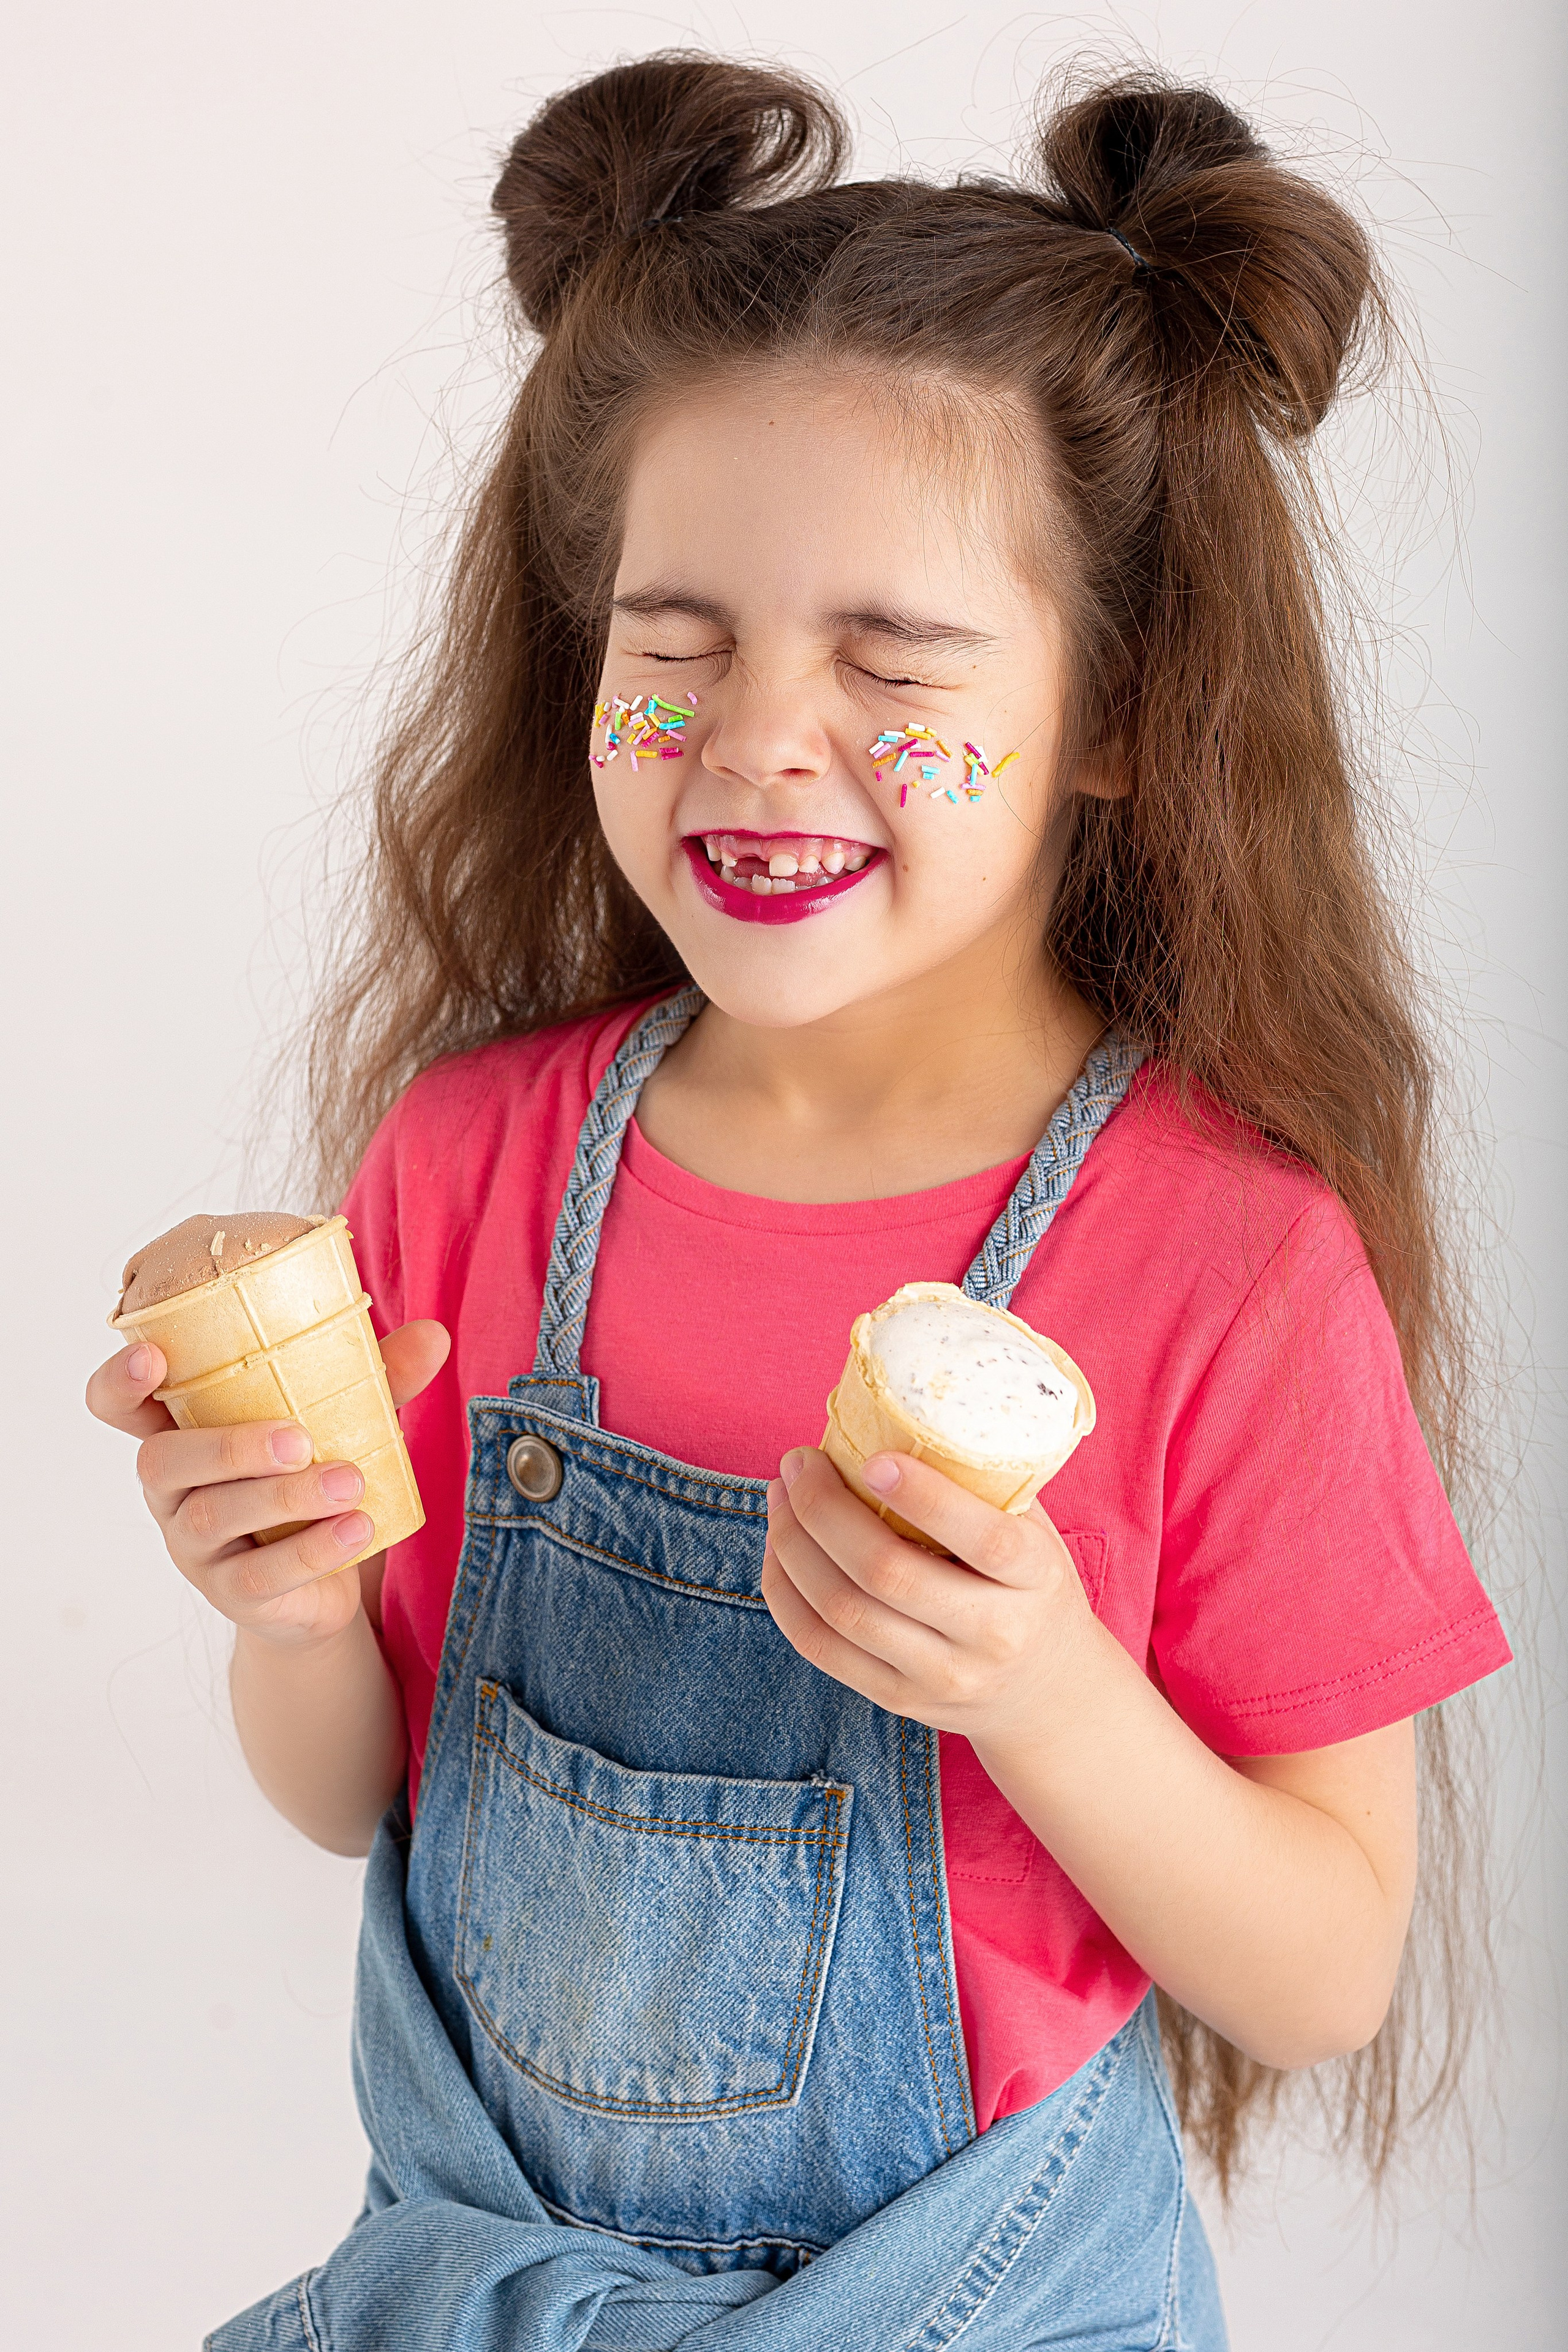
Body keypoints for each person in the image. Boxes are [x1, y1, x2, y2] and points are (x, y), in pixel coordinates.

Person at [87, 53, 1512, 2351]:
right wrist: (286, 1611)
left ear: (1119, 706)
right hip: (471, 2292)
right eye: (677, 646)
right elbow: (359, 1793)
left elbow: (1329, 1967)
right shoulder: (474, 1164)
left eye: (892, 657)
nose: (759, 734)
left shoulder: (1228, 1263)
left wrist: (1042, 1685)